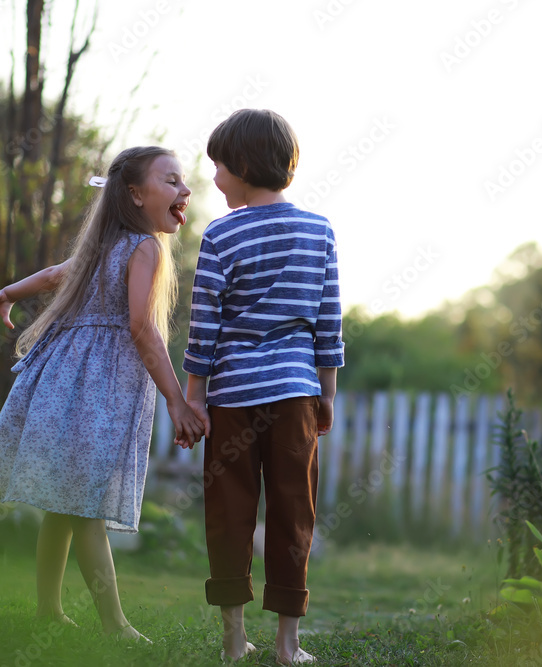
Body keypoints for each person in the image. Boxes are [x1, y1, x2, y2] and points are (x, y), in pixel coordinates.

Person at [0, 146, 206, 640]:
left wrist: (5, 294)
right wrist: (176, 399)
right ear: (136, 195)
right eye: (172, 181)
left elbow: (54, 276)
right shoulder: (145, 248)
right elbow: (141, 326)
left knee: (64, 503)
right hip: (102, 389)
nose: (185, 190)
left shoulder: (102, 247)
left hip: (63, 377)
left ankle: (49, 610)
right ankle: (115, 626)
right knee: (86, 505)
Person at [182, 110, 344, 664]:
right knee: (293, 510)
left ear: (244, 166)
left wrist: (194, 395)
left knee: (229, 510)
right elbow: (328, 322)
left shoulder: (221, 235)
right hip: (296, 395)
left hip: (232, 397)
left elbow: (206, 323)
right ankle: (287, 645)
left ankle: (233, 638)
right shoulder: (319, 230)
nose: (214, 178)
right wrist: (327, 394)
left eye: (219, 167)